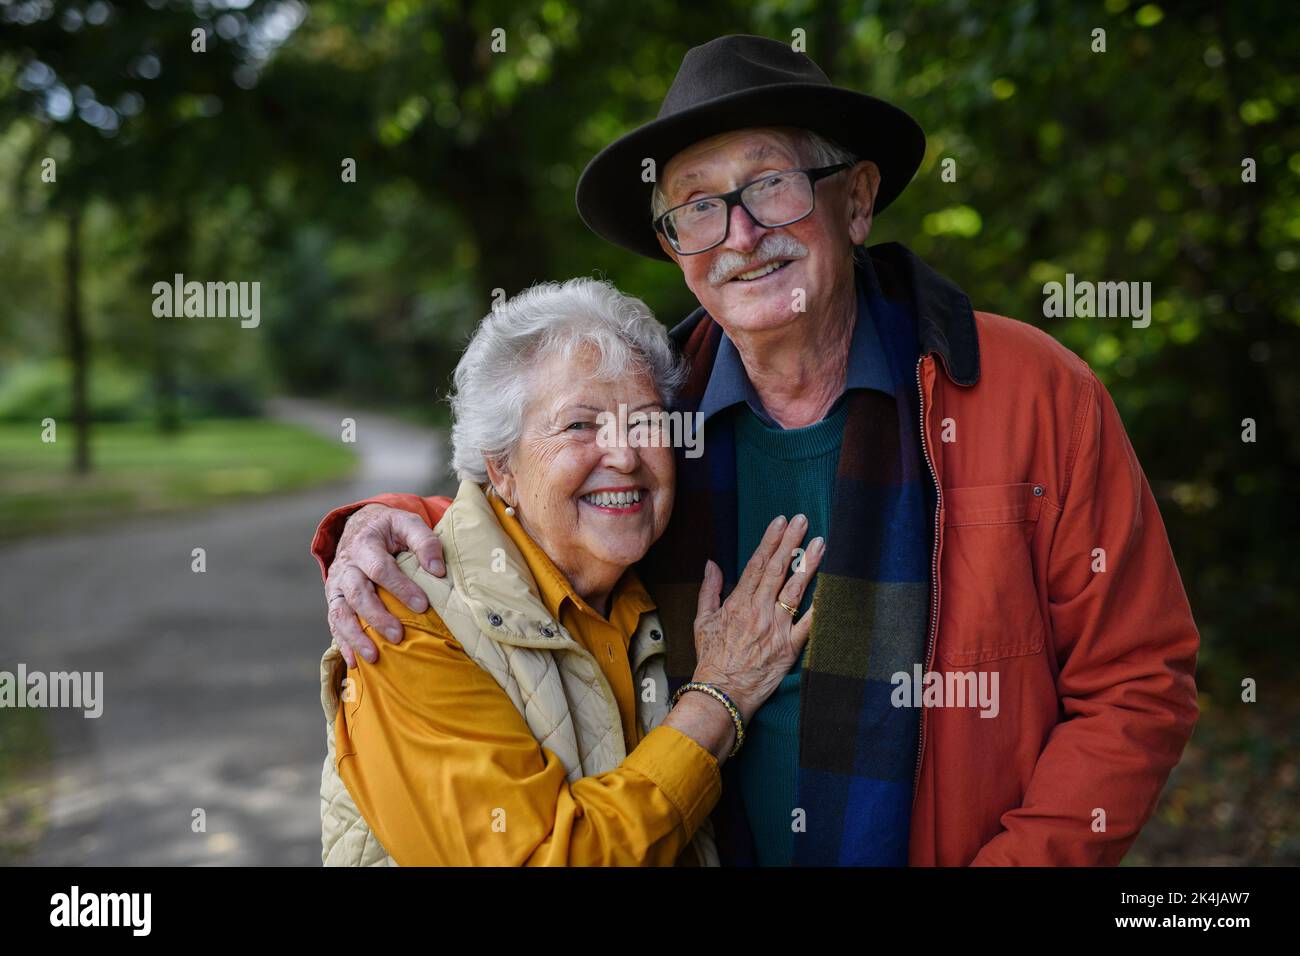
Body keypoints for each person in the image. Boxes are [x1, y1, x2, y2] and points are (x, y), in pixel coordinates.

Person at [315, 35, 1199, 866]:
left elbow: (1136, 685)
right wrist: (388, 522)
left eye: (770, 185)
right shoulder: (665, 411)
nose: (739, 236)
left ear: (855, 201)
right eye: (697, 206)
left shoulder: (1027, 391)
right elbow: (542, 510)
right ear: (674, 248)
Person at [319, 277, 824, 865]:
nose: (625, 455)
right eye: (580, 425)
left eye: (644, 423)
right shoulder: (404, 616)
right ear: (501, 467)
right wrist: (719, 697)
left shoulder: (654, 578)